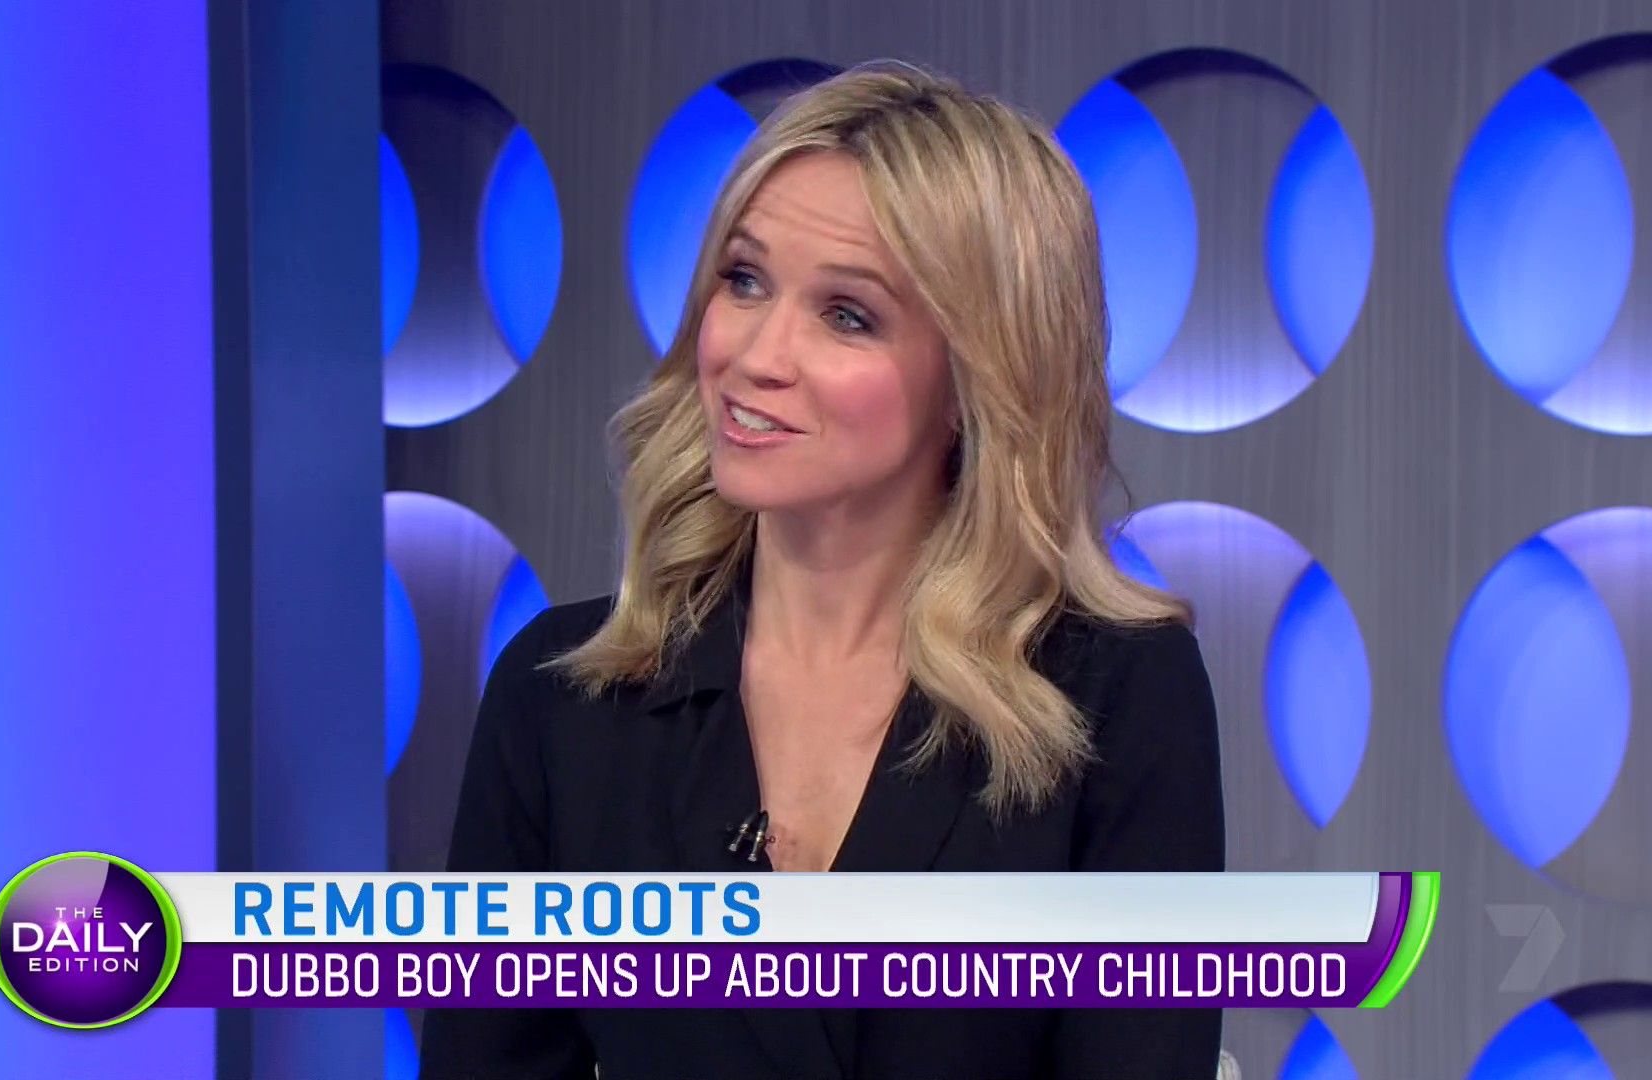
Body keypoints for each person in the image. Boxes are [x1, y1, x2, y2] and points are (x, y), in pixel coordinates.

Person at [420, 59, 1225, 1080]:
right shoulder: (565, 698)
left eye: (847, 315)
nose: (757, 355)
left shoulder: (1116, 696)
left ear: (976, 380)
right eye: (744, 280)